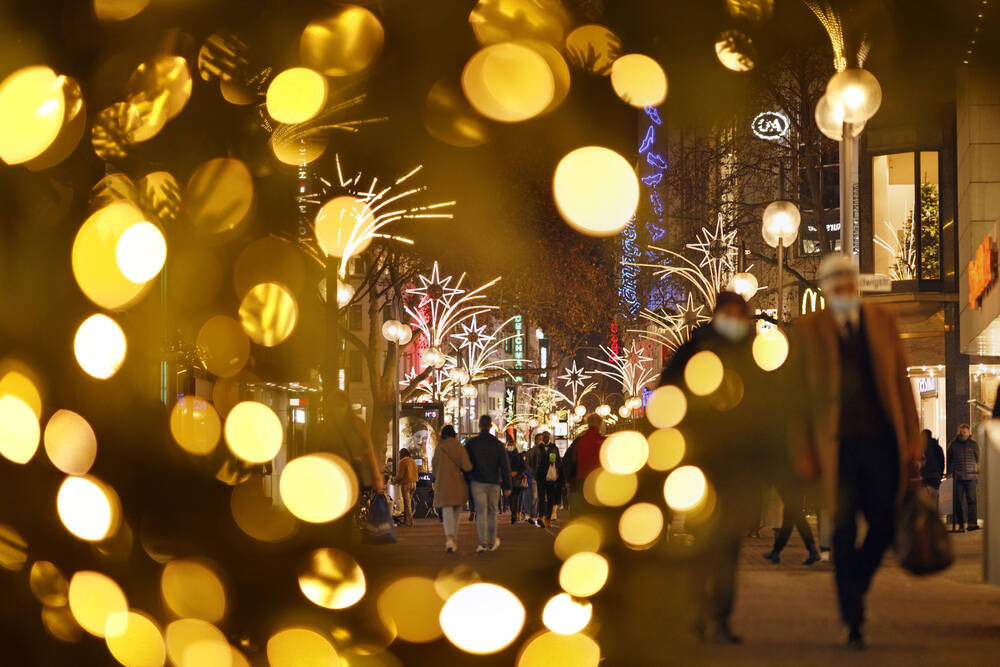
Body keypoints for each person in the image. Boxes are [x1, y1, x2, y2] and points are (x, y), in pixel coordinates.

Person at [788, 254, 922, 650]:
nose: (844, 292)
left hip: (881, 442)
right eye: (836, 287)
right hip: (837, 448)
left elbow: (900, 380)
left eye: (848, 284)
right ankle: (853, 620)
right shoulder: (808, 328)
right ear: (826, 292)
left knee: (883, 522)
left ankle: (856, 582)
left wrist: (912, 436)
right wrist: (803, 450)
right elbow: (797, 399)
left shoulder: (883, 321)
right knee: (842, 531)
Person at [660, 290, 776, 645]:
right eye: (726, 312)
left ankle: (721, 617)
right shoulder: (694, 349)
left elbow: (769, 405)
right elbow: (668, 393)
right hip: (700, 463)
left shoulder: (753, 354)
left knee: (727, 547)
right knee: (699, 544)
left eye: (737, 314)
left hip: (736, 468)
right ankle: (697, 613)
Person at [465, 415, 511, 551]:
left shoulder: (472, 443)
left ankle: (483, 541)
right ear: (491, 426)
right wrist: (507, 485)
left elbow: (466, 464)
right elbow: (505, 466)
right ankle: (491, 540)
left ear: (479, 425)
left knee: (481, 511)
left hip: (477, 481)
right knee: (492, 511)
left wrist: (468, 479)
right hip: (494, 482)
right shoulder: (498, 444)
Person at [432, 425, 473, 552]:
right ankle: (453, 538)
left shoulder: (439, 448)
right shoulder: (458, 446)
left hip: (443, 484)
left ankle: (450, 538)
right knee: (456, 514)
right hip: (458, 484)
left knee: (447, 511)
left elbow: (434, 467)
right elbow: (467, 466)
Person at [762, 483, 820, 565]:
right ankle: (776, 551)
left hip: (791, 485)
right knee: (794, 520)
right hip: (795, 486)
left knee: (792, 520)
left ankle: (776, 551)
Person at [947, 424, 979, 532]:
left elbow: (978, 459)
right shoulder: (953, 445)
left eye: (965, 432)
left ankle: (972, 523)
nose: (963, 434)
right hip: (958, 478)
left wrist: (977, 474)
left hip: (971, 477)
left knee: (972, 501)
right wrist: (950, 474)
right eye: (961, 432)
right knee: (958, 502)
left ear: (968, 433)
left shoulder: (974, 444)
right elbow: (949, 460)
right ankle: (960, 524)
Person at [534, 431, 564, 528]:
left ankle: (548, 518)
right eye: (545, 436)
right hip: (541, 476)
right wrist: (536, 472)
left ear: (550, 437)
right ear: (542, 438)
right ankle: (541, 517)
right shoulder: (538, 448)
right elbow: (534, 462)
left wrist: (555, 464)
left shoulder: (554, 447)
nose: (547, 438)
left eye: (548, 436)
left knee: (551, 497)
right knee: (541, 497)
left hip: (551, 476)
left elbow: (559, 461)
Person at [570, 414, 604, 493]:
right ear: (600, 424)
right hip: (599, 480)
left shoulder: (579, 441)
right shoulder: (603, 442)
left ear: (588, 424)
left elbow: (573, 461)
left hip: (582, 480)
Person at [392, 448, 419, 527]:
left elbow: (400, 476)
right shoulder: (413, 461)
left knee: (407, 504)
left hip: (406, 483)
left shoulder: (402, 462)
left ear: (402, 454)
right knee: (409, 503)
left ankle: (409, 522)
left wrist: (394, 480)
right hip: (414, 483)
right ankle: (407, 520)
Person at [525, 433, 546, 526]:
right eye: (540, 439)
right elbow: (527, 464)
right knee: (534, 497)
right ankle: (532, 515)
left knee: (536, 497)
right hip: (534, 477)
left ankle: (532, 515)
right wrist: (532, 472)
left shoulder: (544, 451)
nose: (541, 441)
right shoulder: (531, 451)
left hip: (540, 477)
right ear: (536, 440)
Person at [920, 429, 944, 506]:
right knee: (934, 500)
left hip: (923, 478)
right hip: (935, 478)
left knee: (923, 502)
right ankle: (933, 516)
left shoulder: (921, 448)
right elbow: (942, 462)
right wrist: (939, 475)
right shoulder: (937, 447)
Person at [506, 435, 527, 524]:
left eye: (512, 445)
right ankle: (514, 513)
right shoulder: (505, 455)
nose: (510, 446)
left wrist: (517, 472)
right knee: (511, 498)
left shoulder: (518, 456)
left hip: (517, 480)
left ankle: (515, 514)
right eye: (509, 445)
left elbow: (523, 467)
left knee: (516, 497)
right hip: (508, 480)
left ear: (515, 446)